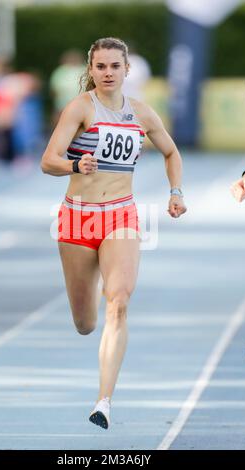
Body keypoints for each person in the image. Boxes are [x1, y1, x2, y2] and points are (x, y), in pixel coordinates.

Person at [41, 37, 187, 430]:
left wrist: (175, 192)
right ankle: (88, 325)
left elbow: (171, 153)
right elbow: (48, 161)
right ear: (91, 70)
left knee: (118, 301)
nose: (107, 73)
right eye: (100, 66)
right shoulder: (80, 108)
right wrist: (75, 166)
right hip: (78, 219)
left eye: (114, 66)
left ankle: (103, 400)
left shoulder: (140, 113)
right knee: (85, 322)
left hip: (120, 215)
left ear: (127, 70)